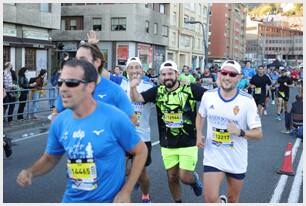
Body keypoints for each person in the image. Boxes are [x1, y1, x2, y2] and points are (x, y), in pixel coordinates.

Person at [16, 59, 147, 203]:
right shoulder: (60, 122)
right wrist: (31, 172)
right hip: (72, 199)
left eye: (71, 83)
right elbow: (50, 158)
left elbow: (141, 151)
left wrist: (126, 191)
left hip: (109, 200)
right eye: (61, 83)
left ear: (90, 86)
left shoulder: (114, 117)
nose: (63, 88)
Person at [130, 60, 205, 203]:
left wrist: (201, 129)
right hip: (167, 143)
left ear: (177, 74)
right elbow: (138, 99)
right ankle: (178, 202)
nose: (167, 77)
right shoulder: (158, 91)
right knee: (171, 177)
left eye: (170, 73)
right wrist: (133, 88)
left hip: (188, 142)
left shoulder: (189, 89)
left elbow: (210, 98)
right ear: (160, 77)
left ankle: (194, 180)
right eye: (163, 74)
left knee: (184, 177)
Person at [196, 60, 262, 203]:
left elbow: (258, 133)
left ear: (239, 78)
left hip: (236, 158)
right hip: (213, 155)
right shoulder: (208, 95)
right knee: (210, 198)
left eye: (232, 74)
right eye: (224, 73)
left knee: (233, 199)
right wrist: (198, 133)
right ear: (219, 74)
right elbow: (201, 114)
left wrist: (240, 132)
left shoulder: (247, 101)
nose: (227, 77)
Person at [53, 43, 136, 124]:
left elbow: (132, 120)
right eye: (77, 60)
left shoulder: (115, 91)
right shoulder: (69, 86)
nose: (78, 64)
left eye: (82, 59)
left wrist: (108, 130)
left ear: (97, 62)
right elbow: (56, 113)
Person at [120, 57, 155, 203]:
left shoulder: (149, 86)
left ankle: (145, 195)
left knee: (141, 172)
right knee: (118, 170)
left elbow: (136, 99)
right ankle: (131, 180)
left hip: (142, 137)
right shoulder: (120, 85)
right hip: (122, 136)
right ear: (126, 70)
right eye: (131, 67)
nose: (134, 70)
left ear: (142, 70)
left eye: (137, 67)